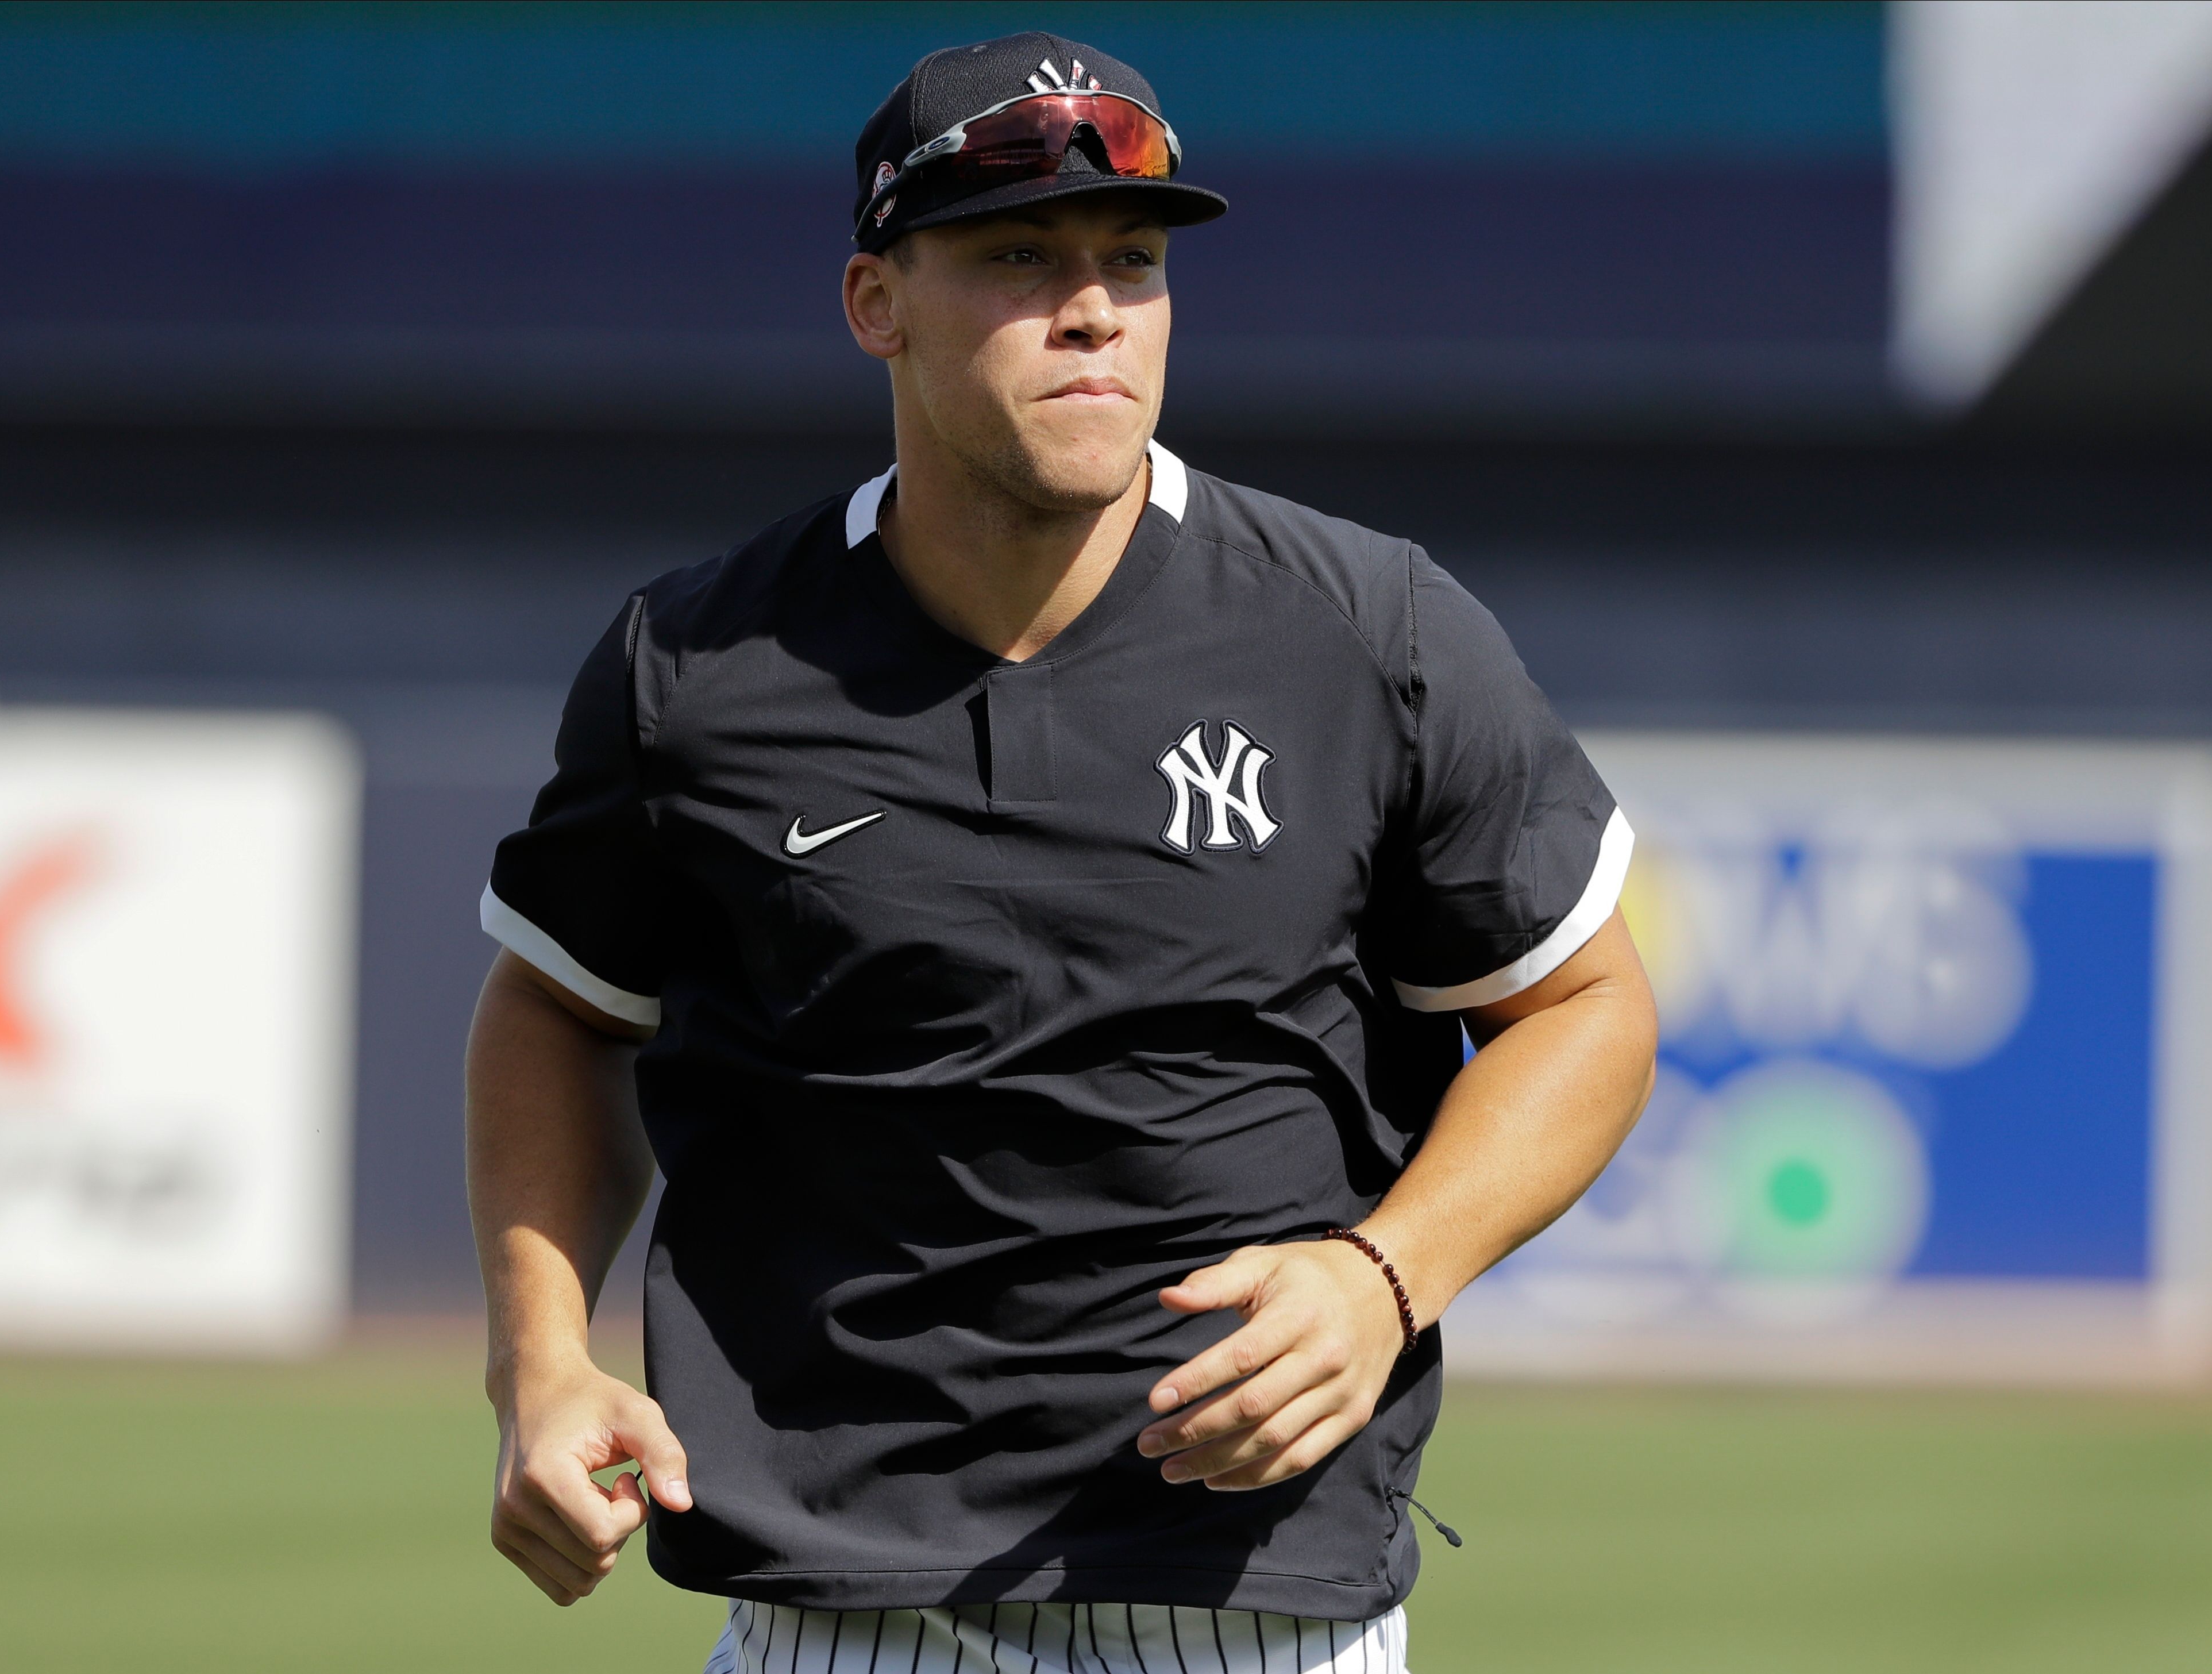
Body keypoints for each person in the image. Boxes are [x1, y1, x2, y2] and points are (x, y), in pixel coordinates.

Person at [466, 31, 1657, 1674]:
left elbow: (1581, 1005)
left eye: (1134, 261)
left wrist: (1387, 1277)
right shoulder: (699, 665)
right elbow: (557, 1008)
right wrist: (539, 1356)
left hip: (1259, 1609)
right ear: (875, 304)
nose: (1091, 306)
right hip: (844, 1611)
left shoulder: (1366, 629)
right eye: (1018, 255)